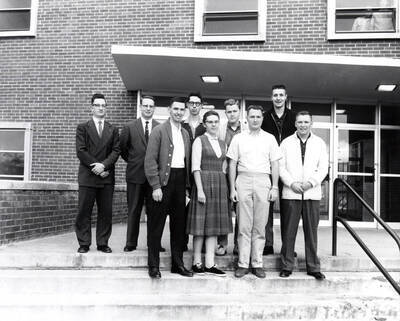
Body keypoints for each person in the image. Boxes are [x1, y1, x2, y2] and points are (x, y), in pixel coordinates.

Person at [227, 105, 281, 278]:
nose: (255, 120)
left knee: (260, 225)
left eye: (258, 117)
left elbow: (275, 164)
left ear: (262, 118)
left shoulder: (270, 139)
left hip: (263, 181)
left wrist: (274, 186)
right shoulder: (238, 138)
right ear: (247, 118)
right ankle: (243, 263)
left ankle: (257, 263)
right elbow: (232, 164)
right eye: (252, 117)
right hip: (243, 179)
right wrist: (233, 188)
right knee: (243, 224)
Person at [144, 97, 193, 279]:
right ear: (169, 110)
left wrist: (186, 188)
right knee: (156, 226)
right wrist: (155, 186)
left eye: (182, 109)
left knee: (178, 227)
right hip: (163, 182)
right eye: (176, 109)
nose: (179, 112)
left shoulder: (186, 134)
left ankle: (177, 264)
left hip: (180, 182)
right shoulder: (159, 131)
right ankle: (154, 266)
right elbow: (150, 161)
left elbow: (186, 163)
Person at [279, 111, 328, 280]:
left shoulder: (320, 143)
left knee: (311, 232)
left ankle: (313, 267)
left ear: (311, 123)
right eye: (300, 122)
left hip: (311, 194)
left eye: (306, 122)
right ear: (295, 124)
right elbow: (281, 167)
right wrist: (291, 183)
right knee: (288, 232)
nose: (303, 125)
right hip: (291, 192)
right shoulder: (286, 143)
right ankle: (286, 266)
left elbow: (323, 168)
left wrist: (311, 183)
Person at [187, 110, 232, 276]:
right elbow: (195, 167)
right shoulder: (199, 141)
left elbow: (225, 168)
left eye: (216, 121)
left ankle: (210, 263)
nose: (213, 124)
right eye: (210, 122)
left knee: (213, 226)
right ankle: (197, 262)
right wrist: (199, 189)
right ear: (204, 124)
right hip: (203, 184)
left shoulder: (223, 143)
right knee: (200, 227)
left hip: (219, 185)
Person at [75, 93, 120, 253]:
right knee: (84, 211)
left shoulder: (112, 129)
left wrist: (104, 166)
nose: (101, 108)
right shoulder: (83, 127)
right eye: (98, 105)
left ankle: (102, 243)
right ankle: (84, 243)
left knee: (106, 212)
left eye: (103, 105)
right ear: (91, 108)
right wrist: (96, 167)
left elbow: (116, 151)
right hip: (88, 176)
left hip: (106, 177)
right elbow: (81, 151)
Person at [120, 95, 163, 252]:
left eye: (151, 106)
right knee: (134, 210)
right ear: (140, 107)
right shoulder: (130, 127)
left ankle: (154, 243)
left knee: (154, 213)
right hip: (135, 175)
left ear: (154, 108)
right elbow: (123, 150)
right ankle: (131, 243)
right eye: (145, 105)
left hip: (154, 179)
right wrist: (134, 162)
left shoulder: (160, 127)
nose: (148, 108)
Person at [261, 85, 296, 256]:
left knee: (288, 210)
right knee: (267, 208)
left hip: (289, 169)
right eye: (275, 95)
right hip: (269, 168)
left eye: (281, 95)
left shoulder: (294, 117)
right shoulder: (265, 117)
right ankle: (268, 244)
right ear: (271, 97)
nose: (278, 98)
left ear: (286, 97)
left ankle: (287, 246)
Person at [216, 98, 243, 256]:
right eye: (229, 112)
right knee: (224, 210)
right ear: (225, 113)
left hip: (243, 173)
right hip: (225, 174)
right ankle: (222, 243)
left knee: (241, 210)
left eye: (234, 111)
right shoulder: (220, 130)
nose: (232, 114)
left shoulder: (246, 129)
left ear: (239, 112)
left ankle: (239, 245)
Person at [181, 93, 206, 251]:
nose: (195, 106)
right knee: (181, 210)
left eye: (197, 103)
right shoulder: (181, 125)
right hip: (183, 173)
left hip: (201, 174)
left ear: (201, 106)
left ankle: (202, 245)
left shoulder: (206, 126)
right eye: (192, 103)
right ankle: (181, 243)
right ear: (188, 106)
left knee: (202, 209)